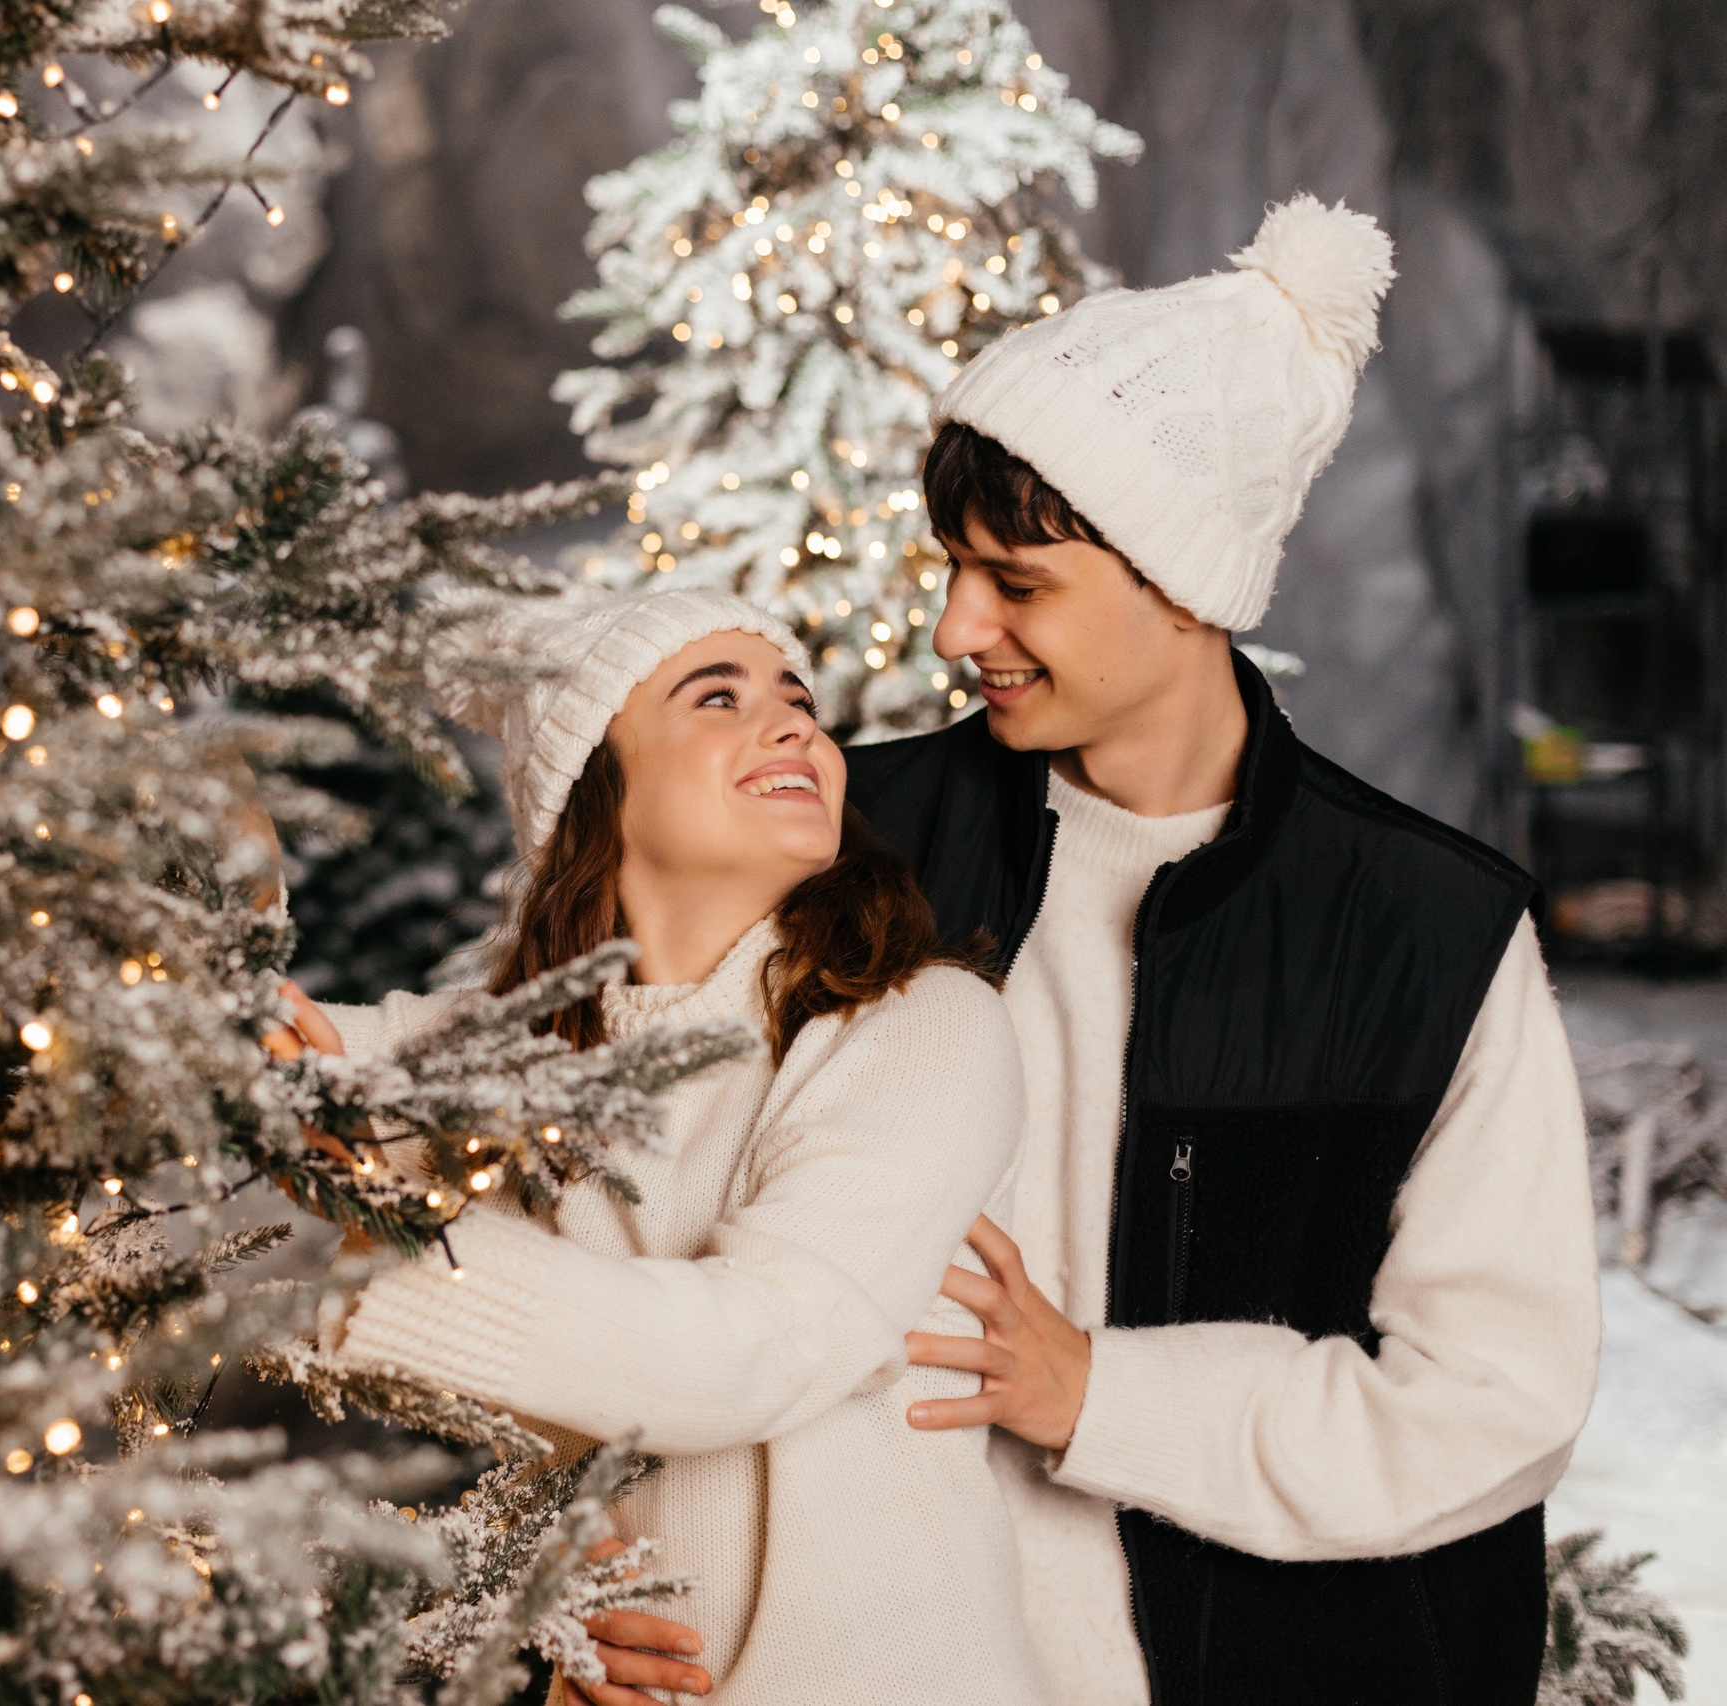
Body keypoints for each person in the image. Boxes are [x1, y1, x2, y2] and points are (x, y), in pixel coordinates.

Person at [607, 196, 1604, 1705]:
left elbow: (1492, 1405)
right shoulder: (848, 841)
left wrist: (1100, 1392)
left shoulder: (1425, 929)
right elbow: (623, 1209)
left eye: (1016, 581)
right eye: (953, 565)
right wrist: (584, 1580)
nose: (953, 626)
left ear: (1185, 581)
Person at [279, 588, 1050, 1705]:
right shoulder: (505, 1052)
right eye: (719, 696)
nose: (794, 724)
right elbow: (243, 1051)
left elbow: (766, 1341)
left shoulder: (920, 1024)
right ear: (597, 787)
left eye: (796, 699)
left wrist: (409, 1253)